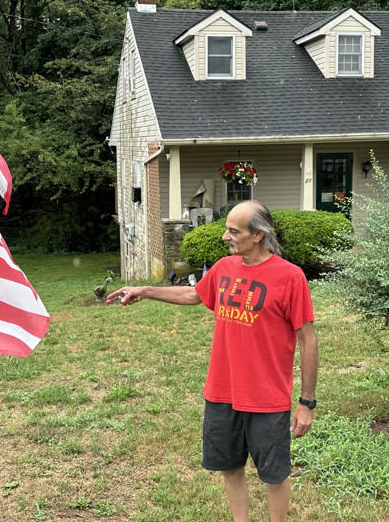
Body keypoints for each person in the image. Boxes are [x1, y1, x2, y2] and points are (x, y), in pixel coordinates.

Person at [106, 200, 317, 522]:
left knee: (273, 474)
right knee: (230, 466)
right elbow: (193, 295)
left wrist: (306, 402)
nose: (225, 237)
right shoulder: (223, 268)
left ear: (258, 235)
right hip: (222, 392)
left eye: (233, 231)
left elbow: (308, 339)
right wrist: (145, 290)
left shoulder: (290, 277)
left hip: (267, 398)